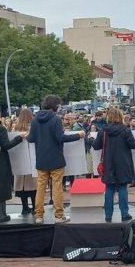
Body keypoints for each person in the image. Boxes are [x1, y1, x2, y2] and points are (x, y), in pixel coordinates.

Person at [27, 95, 85, 224]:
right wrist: (78, 135)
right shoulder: (55, 119)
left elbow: (31, 138)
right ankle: (59, 215)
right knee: (57, 186)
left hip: (41, 158)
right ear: (55, 106)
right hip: (56, 158)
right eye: (58, 105)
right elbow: (60, 137)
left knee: (41, 187)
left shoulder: (35, 120)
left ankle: (39, 215)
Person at [92, 107, 135, 222]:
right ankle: (124, 213)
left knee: (109, 189)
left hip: (108, 163)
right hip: (123, 163)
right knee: (122, 188)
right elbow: (133, 145)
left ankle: (108, 215)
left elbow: (96, 146)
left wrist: (90, 139)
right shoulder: (125, 130)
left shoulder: (103, 131)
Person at [13, 109, 37, 216]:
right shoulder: (33, 128)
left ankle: (24, 207)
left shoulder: (16, 129)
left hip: (19, 159)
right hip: (31, 158)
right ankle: (35, 207)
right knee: (33, 185)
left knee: (21, 186)